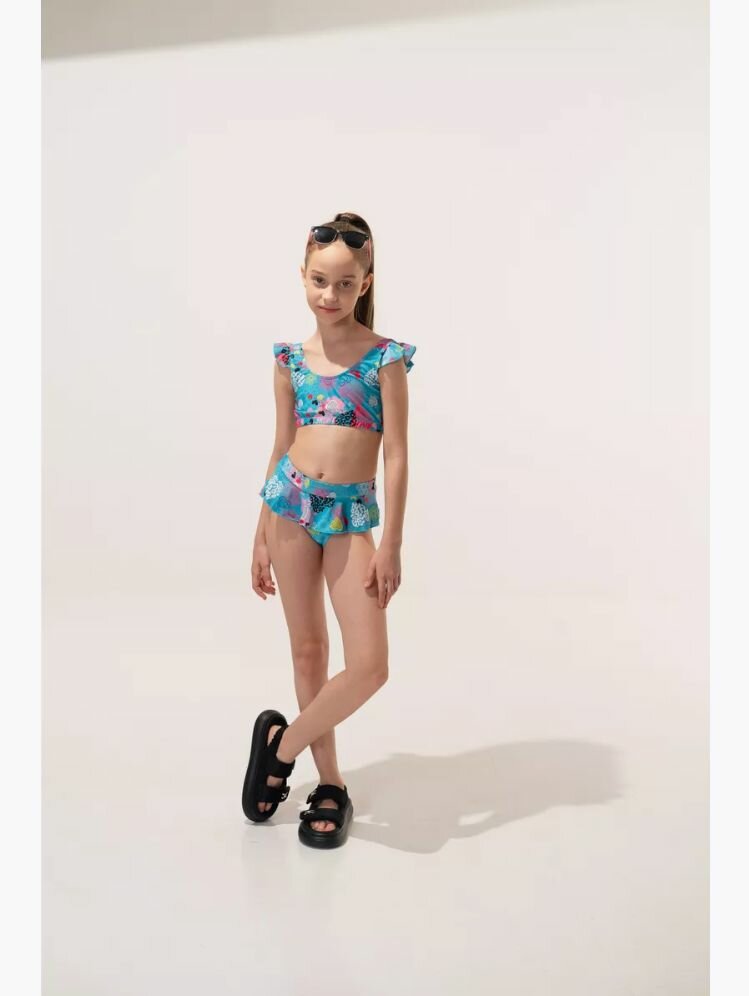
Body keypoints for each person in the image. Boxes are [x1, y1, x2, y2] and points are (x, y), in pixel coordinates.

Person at [241, 212, 416, 848]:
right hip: (288, 508)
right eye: (320, 281)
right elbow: (280, 445)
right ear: (303, 276)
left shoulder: (384, 359)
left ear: (365, 283)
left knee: (369, 665)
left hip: (349, 520)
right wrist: (259, 532)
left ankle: (280, 748)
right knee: (309, 650)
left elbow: (396, 454)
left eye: (345, 283)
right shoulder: (290, 360)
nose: (330, 295)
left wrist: (391, 543)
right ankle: (330, 783)